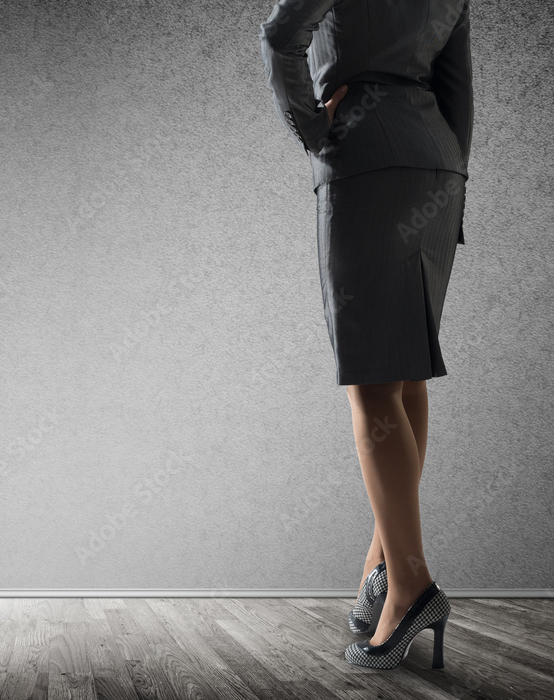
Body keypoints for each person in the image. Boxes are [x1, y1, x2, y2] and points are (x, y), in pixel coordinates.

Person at [259, 0, 473, 670]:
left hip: (365, 161)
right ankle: (382, 567)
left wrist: (314, 129)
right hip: (435, 166)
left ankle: (411, 587)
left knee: (372, 385)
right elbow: (457, 86)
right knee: (405, 371)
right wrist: (450, 183)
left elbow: (280, 33)